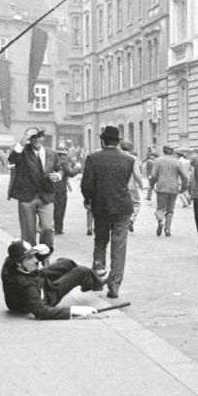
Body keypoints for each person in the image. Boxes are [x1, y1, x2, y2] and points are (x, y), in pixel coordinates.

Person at [81, 125, 135, 300]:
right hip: (123, 208)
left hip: (102, 207)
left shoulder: (93, 158)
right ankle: (114, 286)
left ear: (103, 141)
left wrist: (88, 200)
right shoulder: (128, 160)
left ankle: (98, 279)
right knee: (119, 247)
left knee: (101, 242)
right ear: (117, 142)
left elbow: (86, 185)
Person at [1, 240, 109, 320]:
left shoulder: (10, 264)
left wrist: (41, 251)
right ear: (19, 263)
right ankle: (94, 283)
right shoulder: (26, 285)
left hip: (35, 280)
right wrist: (75, 310)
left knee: (66, 263)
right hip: (45, 297)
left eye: (34, 255)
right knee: (81, 271)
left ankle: (89, 283)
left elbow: (16, 253)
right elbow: (41, 311)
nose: (35, 260)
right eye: (30, 258)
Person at [7, 127, 62, 250]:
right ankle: (31, 261)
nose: (36, 140)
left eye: (39, 137)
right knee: (28, 232)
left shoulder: (51, 153)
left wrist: (58, 176)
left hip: (46, 196)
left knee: (48, 228)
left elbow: (59, 168)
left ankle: (44, 255)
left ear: (43, 138)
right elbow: (12, 159)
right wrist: (23, 139)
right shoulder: (23, 152)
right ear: (29, 140)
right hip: (27, 197)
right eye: (33, 138)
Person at [148, 145, 190, 237]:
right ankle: (167, 229)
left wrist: (151, 186)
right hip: (173, 188)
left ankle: (160, 220)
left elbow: (153, 176)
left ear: (163, 151)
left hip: (162, 187)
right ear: (172, 152)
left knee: (160, 208)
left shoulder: (158, 161)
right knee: (170, 210)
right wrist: (184, 188)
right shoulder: (177, 162)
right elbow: (185, 177)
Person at [50, 148, 81, 235]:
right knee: (60, 209)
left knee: (54, 209)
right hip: (61, 190)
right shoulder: (63, 164)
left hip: (52, 189)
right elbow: (71, 173)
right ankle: (58, 228)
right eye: (63, 154)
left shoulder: (52, 163)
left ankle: (53, 227)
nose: (64, 156)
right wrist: (77, 169)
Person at [119, 141, 145, 232]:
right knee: (136, 203)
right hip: (130, 185)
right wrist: (141, 184)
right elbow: (136, 173)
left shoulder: (117, 156)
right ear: (130, 148)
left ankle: (121, 222)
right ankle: (131, 219)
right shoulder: (133, 158)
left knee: (120, 203)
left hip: (118, 185)